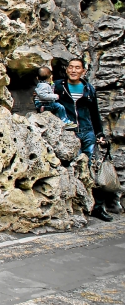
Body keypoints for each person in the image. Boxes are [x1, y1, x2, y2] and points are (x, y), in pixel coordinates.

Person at [54, 58, 113, 220]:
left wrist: (99, 134)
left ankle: (97, 207)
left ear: (83, 71)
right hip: (68, 133)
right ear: (67, 70)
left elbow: (95, 113)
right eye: (71, 67)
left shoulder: (89, 89)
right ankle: (75, 207)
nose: (73, 70)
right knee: (72, 168)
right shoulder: (58, 86)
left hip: (87, 132)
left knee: (94, 169)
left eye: (77, 68)